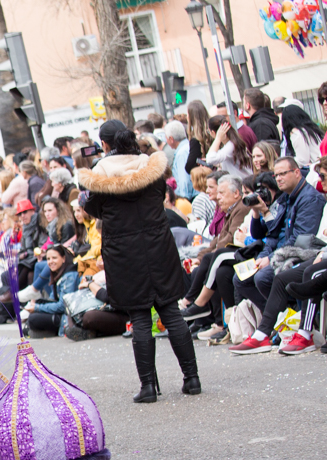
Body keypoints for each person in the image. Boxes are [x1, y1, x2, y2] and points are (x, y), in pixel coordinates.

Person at [77, 120, 199, 403]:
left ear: (105, 144)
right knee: (171, 312)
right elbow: (159, 195)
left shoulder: (101, 175)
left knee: (140, 317)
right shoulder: (151, 166)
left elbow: (94, 209)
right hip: (158, 245)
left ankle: (148, 387)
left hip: (124, 252)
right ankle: (191, 379)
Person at [230, 157, 327, 353]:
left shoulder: (310, 198)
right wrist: (259, 213)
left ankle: (303, 330)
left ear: (297, 172)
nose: (279, 179)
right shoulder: (287, 198)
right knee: (242, 278)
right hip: (297, 252)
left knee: (282, 275)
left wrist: (274, 256)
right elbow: (268, 234)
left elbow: (303, 240)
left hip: (304, 254)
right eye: (277, 175)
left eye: (283, 174)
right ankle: (264, 333)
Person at [180, 174, 253, 328]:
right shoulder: (228, 210)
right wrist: (199, 257)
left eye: (221, 192)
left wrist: (204, 257)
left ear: (236, 194)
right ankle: (225, 325)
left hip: (247, 253)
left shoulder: (241, 208)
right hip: (235, 252)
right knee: (219, 272)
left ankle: (195, 303)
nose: (217, 196)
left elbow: (230, 239)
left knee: (213, 258)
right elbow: (219, 239)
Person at [23, 245, 80, 337]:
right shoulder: (59, 273)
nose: (50, 262)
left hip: (66, 315)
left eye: (54, 258)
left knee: (33, 318)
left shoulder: (69, 276)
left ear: (64, 258)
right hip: (60, 312)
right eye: (48, 259)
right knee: (38, 306)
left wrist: (37, 308)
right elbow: (52, 299)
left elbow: (63, 306)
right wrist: (37, 305)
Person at [165, 120, 196, 200]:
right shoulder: (188, 147)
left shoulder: (181, 153)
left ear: (171, 139)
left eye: (166, 138)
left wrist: (183, 198)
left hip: (188, 198)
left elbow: (184, 181)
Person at [71, 198, 101, 276]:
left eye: (78, 210)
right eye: (74, 211)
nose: (76, 215)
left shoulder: (95, 224)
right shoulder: (86, 225)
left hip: (97, 262)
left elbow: (96, 248)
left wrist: (79, 259)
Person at [185, 100, 215, 175]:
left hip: (205, 177)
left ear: (191, 117)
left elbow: (189, 166)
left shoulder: (195, 140)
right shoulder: (213, 132)